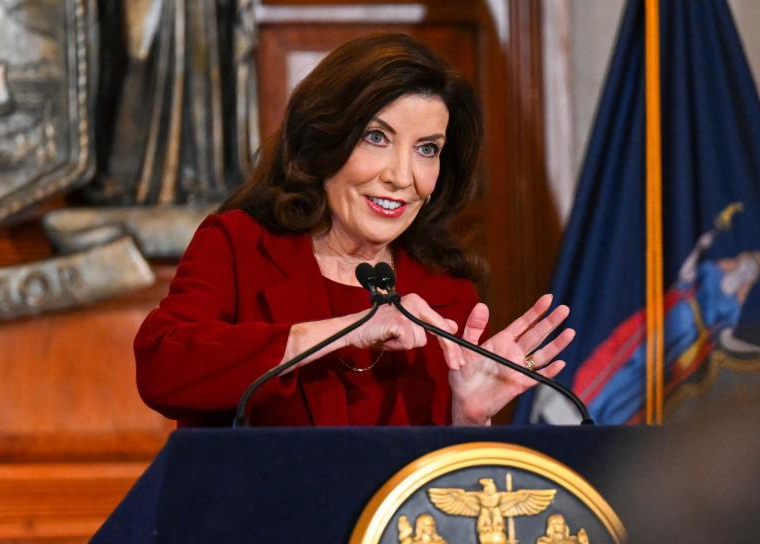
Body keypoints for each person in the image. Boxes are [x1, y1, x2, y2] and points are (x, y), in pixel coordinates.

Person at [134, 33, 574, 427]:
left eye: (427, 149)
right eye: (376, 138)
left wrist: (467, 418)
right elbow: (161, 368)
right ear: (323, 140)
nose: (403, 177)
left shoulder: (445, 291)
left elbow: (437, 493)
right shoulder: (239, 245)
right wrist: (346, 329)